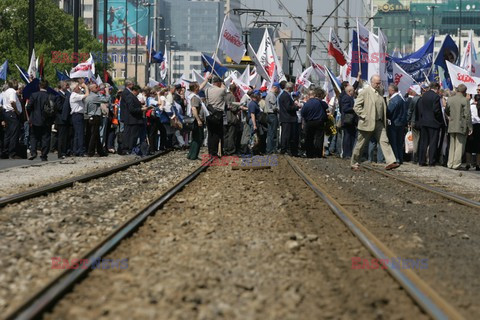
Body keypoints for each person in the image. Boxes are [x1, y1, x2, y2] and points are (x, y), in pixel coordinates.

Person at [350, 75, 399, 170]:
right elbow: (356, 107)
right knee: (361, 144)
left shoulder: (380, 92)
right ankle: (354, 162)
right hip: (367, 122)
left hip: (379, 123)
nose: (378, 85)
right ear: (371, 82)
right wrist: (364, 115)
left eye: (379, 83)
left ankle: (391, 161)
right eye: (376, 83)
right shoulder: (365, 92)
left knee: (385, 141)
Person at [445, 84, 473, 170]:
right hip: (461, 125)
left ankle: (450, 163)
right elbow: (467, 115)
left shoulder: (450, 99)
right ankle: (456, 164)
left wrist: (450, 117)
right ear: (465, 91)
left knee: (452, 144)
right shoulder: (465, 100)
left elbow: (446, 110)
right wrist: (470, 127)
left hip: (452, 123)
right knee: (460, 145)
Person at [26, 80, 54, 161]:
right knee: (45, 137)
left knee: (33, 136)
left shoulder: (34, 95)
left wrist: (31, 116)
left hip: (35, 119)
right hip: (46, 120)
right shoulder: (50, 96)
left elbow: (28, 107)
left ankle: (33, 152)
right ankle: (44, 155)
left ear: (39, 86)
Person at [417, 82, 443, 166]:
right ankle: (431, 161)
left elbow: (420, 108)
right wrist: (440, 120)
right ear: (437, 88)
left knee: (423, 142)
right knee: (433, 142)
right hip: (433, 123)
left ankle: (421, 160)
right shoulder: (436, 97)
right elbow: (436, 111)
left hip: (424, 121)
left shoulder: (424, 95)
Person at [201, 75, 226, 158]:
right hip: (218, 113)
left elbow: (201, 88)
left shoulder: (207, 90)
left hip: (209, 113)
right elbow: (224, 88)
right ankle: (214, 152)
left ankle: (210, 151)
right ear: (218, 82)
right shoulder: (221, 90)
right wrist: (223, 83)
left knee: (210, 133)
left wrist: (206, 80)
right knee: (217, 134)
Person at [301, 88, 329, 158]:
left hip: (309, 122)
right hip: (319, 122)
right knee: (319, 138)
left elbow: (303, 113)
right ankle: (318, 154)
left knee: (309, 138)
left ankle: (309, 154)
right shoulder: (322, 103)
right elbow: (326, 108)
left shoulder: (307, 103)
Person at [85, 83, 110, 157]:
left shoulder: (88, 97)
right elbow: (106, 100)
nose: (98, 88)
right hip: (95, 116)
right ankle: (90, 151)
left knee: (96, 135)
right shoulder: (95, 97)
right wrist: (107, 92)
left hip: (90, 116)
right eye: (96, 87)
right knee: (94, 135)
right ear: (92, 89)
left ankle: (100, 151)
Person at [2, 80, 23, 159]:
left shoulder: (6, 91)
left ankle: (5, 151)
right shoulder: (12, 92)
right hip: (12, 113)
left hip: (7, 113)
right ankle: (12, 153)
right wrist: (17, 111)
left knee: (8, 133)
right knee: (14, 133)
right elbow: (12, 101)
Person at [386, 84, 407, 164]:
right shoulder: (402, 99)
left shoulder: (394, 100)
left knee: (393, 142)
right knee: (399, 142)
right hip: (401, 123)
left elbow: (389, 111)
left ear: (392, 90)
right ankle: (400, 158)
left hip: (394, 123)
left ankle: (396, 158)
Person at [278, 82, 300, 156]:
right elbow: (288, 107)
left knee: (286, 134)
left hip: (286, 118)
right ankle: (284, 149)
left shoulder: (284, 95)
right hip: (288, 118)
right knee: (287, 135)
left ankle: (285, 149)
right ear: (288, 88)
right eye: (292, 88)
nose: (293, 89)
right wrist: (297, 107)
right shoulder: (285, 96)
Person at [70, 81, 90, 157]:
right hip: (77, 115)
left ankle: (76, 150)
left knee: (77, 134)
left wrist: (81, 88)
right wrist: (85, 87)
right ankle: (81, 150)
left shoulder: (76, 94)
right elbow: (87, 95)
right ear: (75, 88)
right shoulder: (74, 95)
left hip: (77, 115)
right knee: (80, 133)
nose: (79, 88)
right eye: (78, 87)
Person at [187, 82, 205, 160]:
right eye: (197, 87)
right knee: (198, 137)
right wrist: (198, 120)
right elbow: (194, 108)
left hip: (195, 119)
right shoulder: (194, 97)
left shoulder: (192, 95)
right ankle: (193, 155)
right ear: (195, 88)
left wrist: (207, 79)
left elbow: (201, 86)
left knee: (196, 137)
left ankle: (191, 154)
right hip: (196, 120)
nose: (199, 88)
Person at [340, 85, 357, 159]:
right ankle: (347, 154)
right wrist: (354, 108)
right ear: (350, 91)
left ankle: (349, 153)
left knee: (351, 136)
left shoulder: (349, 97)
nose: (354, 92)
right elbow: (345, 108)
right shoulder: (346, 98)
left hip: (351, 121)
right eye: (353, 90)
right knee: (347, 137)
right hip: (348, 121)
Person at [406, 86, 421, 163]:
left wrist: (408, 120)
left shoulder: (414, 99)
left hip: (414, 121)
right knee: (419, 139)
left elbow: (410, 111)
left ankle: (415, 157)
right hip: (420, 122)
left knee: (415, 140)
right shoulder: (421, 99)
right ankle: (419, 156)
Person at [224, 83, 240, 155]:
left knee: (226, 135)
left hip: (225, 117)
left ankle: (226, 149)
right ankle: (231, 150)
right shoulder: (232, 96)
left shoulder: (225, 96)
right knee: (231, 135)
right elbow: (233, 108)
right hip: (231, 118)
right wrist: (238, 107)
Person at [466, 91, 480, 170]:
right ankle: (478, 164)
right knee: (478, 147)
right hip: (479, 126)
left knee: (469, 146)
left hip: (472, 126)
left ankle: (468, 163)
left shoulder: (471, 106)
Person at [265, 82, 280, 154]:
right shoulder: (272, 96)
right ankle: (272, 149)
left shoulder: (268, 95)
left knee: (269, 133)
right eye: (278, 88)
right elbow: (274, 108)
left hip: (268, 115)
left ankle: (269, 149)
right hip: (272, 115)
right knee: (273, 133)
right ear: (275, 88)